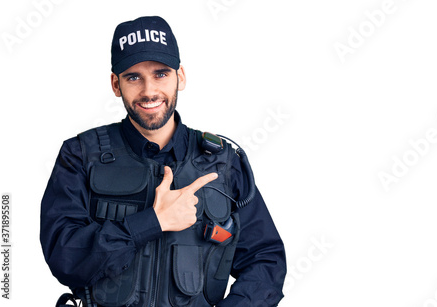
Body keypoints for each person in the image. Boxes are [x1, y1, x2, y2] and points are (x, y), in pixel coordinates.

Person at [40, 16, 286, 307]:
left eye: (161, 74)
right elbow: (64, 257)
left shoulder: (223, 163)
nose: (149, 91)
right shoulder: (80, 154)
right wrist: (152, 222)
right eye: (133, 77)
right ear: (115, 84)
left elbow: (265, 260)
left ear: (180, 76)